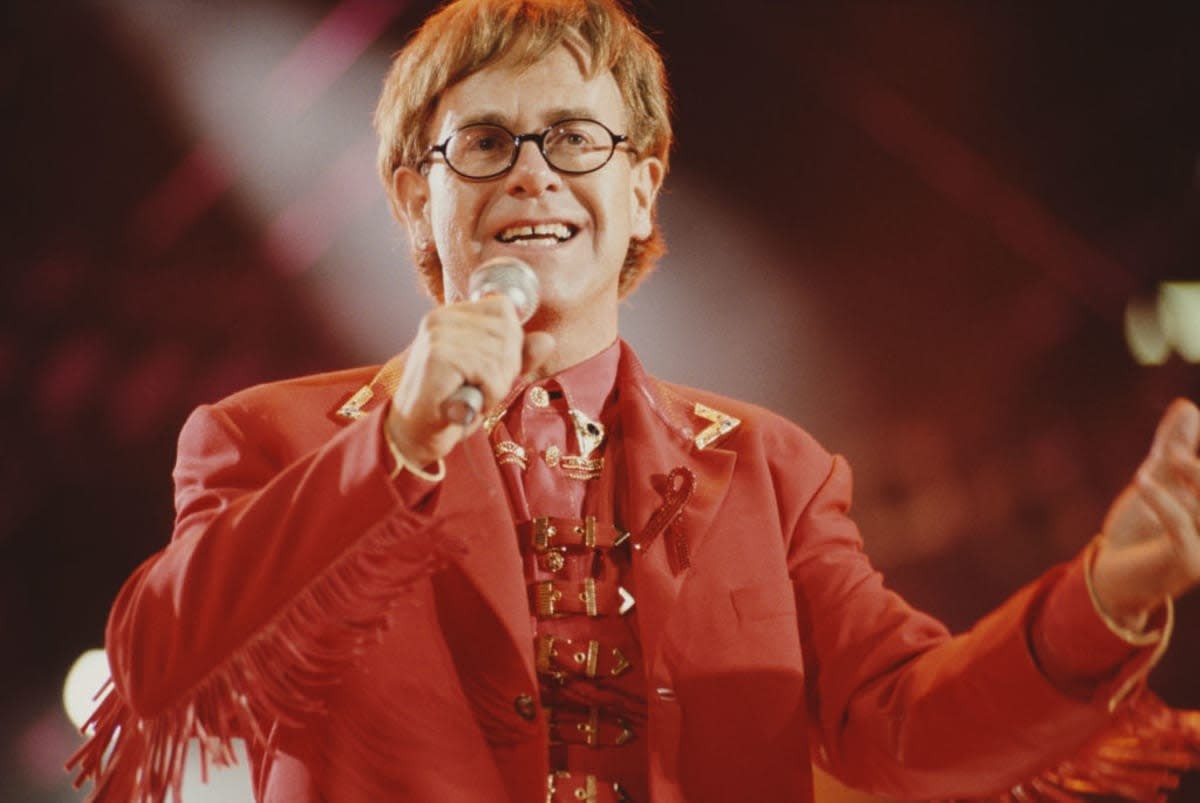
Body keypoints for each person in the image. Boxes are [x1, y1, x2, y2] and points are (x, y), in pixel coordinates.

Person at [69, 1, 1200, 801]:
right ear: (415, 202)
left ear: (643, 183)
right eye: (483, 143)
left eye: (575, 137)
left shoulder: (772, 467)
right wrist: (395, 446)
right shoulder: (265, 435)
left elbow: (907, 722)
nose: (533, 172)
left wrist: (1111, 591)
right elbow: (162, 668)